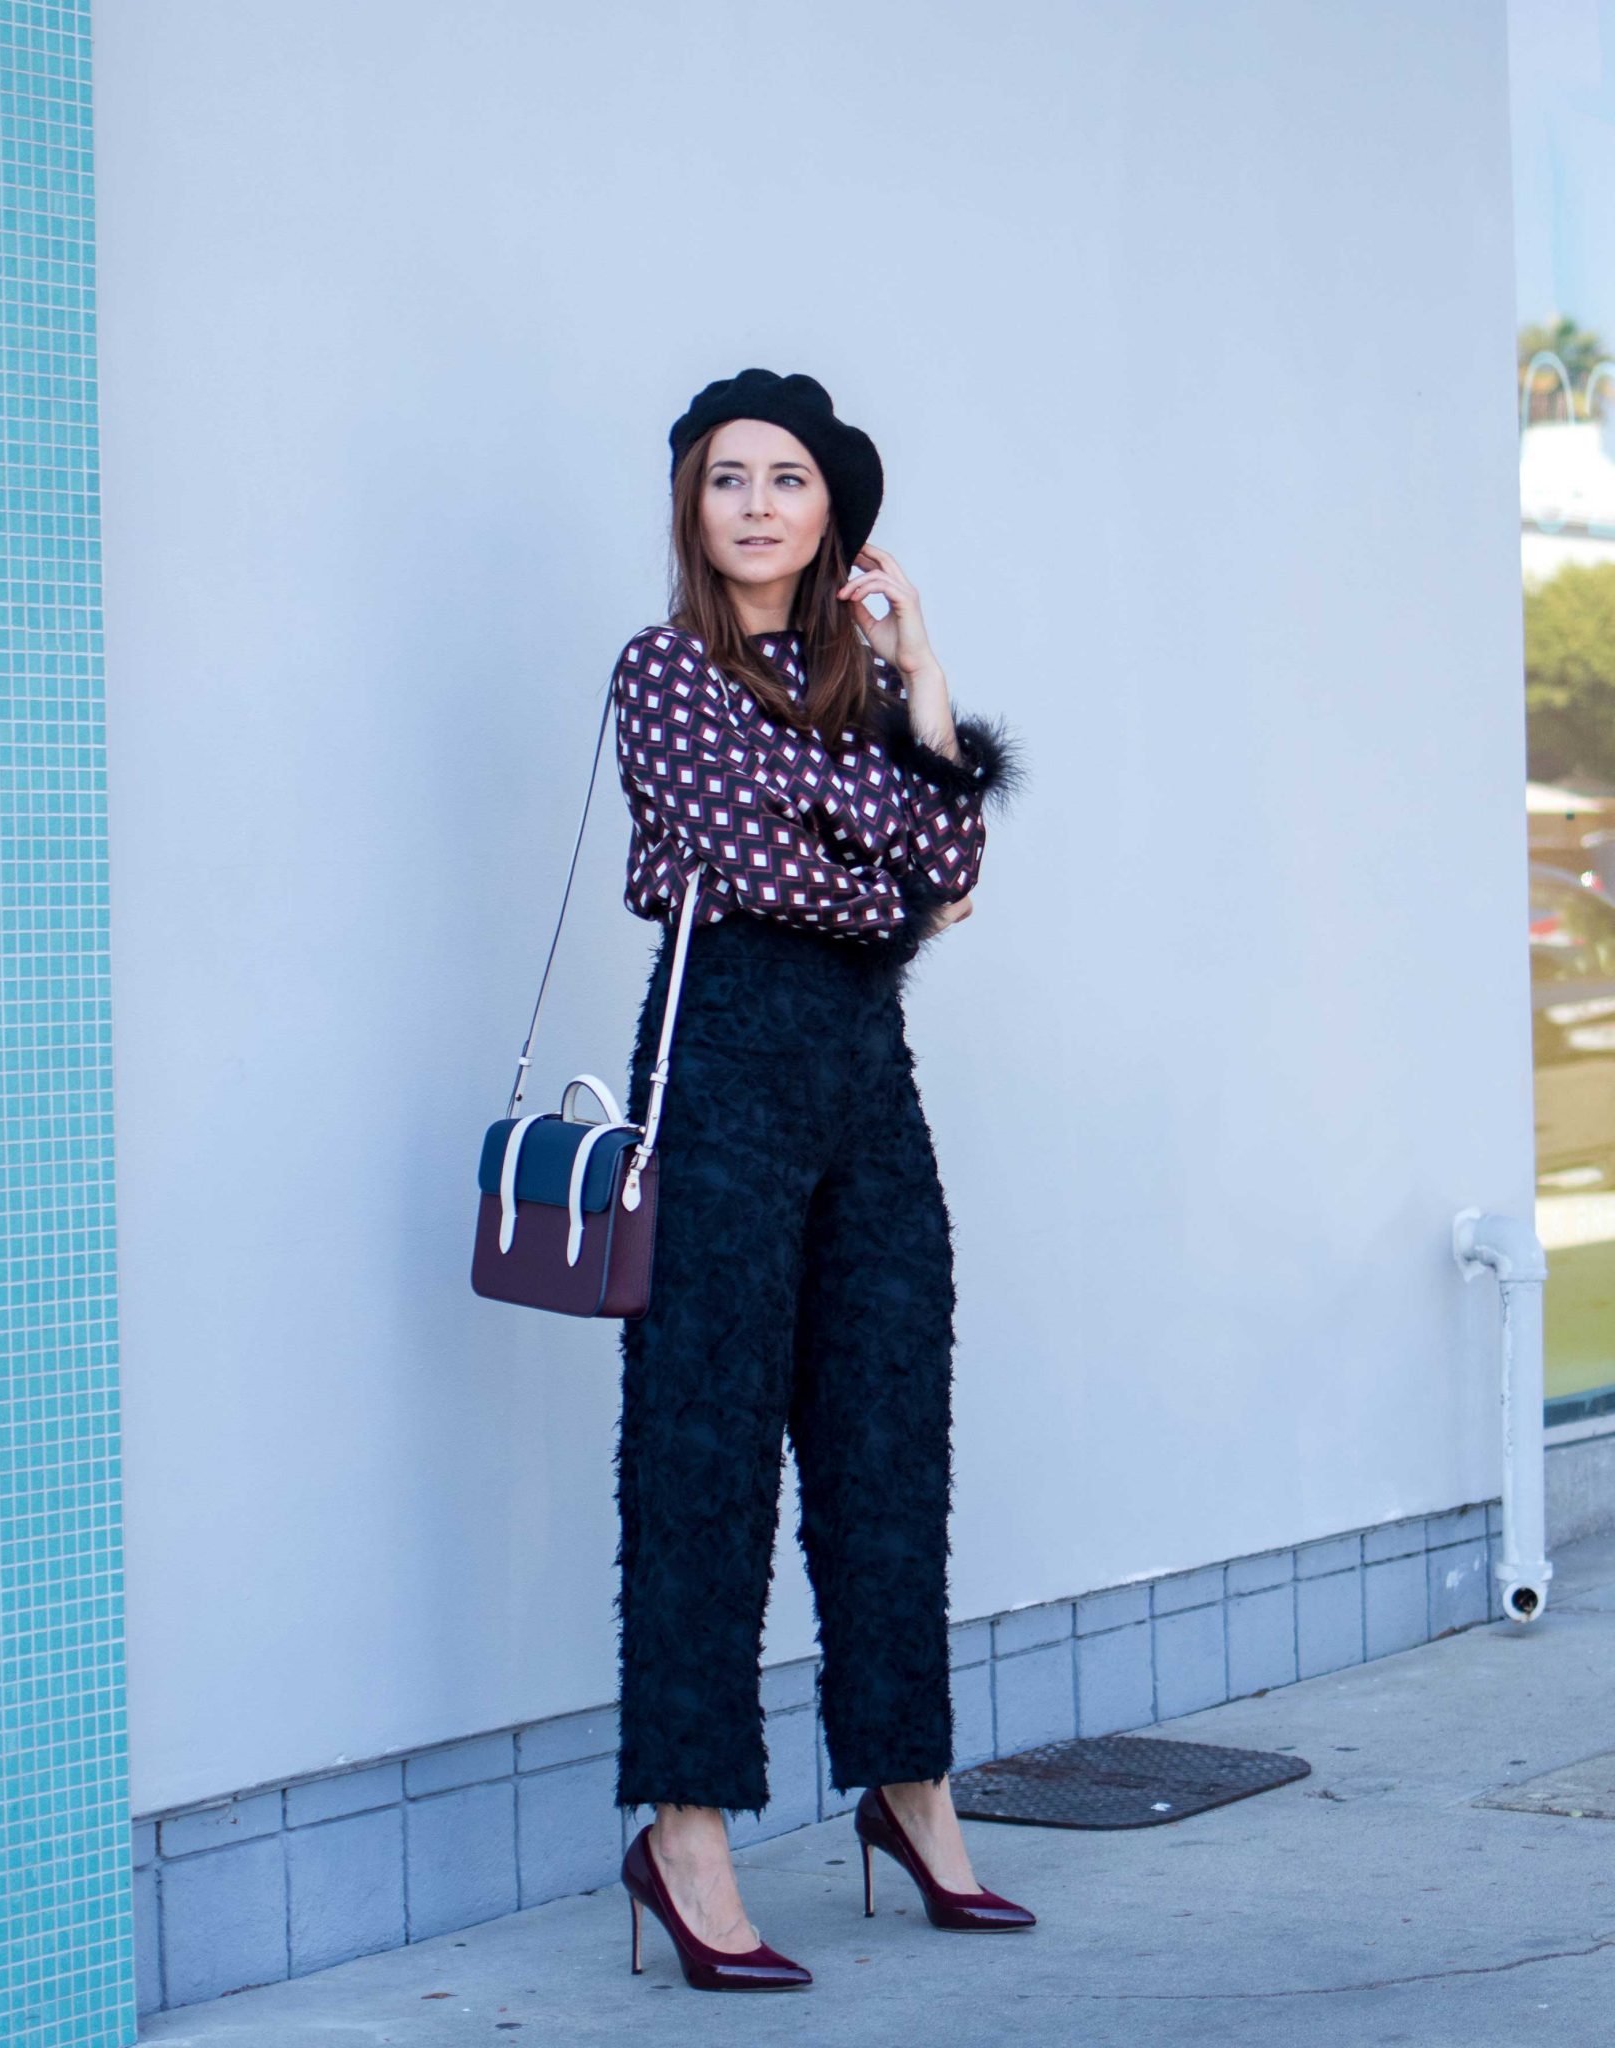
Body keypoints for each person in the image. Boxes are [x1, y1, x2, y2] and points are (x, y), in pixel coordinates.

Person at [608, 369, 1034, 1992]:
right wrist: (901, 851)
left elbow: (955, 864)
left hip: (868, 1091)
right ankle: (688, 1832)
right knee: (702, 1453)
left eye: (790, 479)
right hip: (719, 1072)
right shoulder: (660, 673)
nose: (761, 504)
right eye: (730, 478)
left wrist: (922, 674)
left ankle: (910, 1790)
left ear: (834, 515)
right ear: (694, 509)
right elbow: (817, 873)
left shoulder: (866, 685)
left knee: (887, 1440)